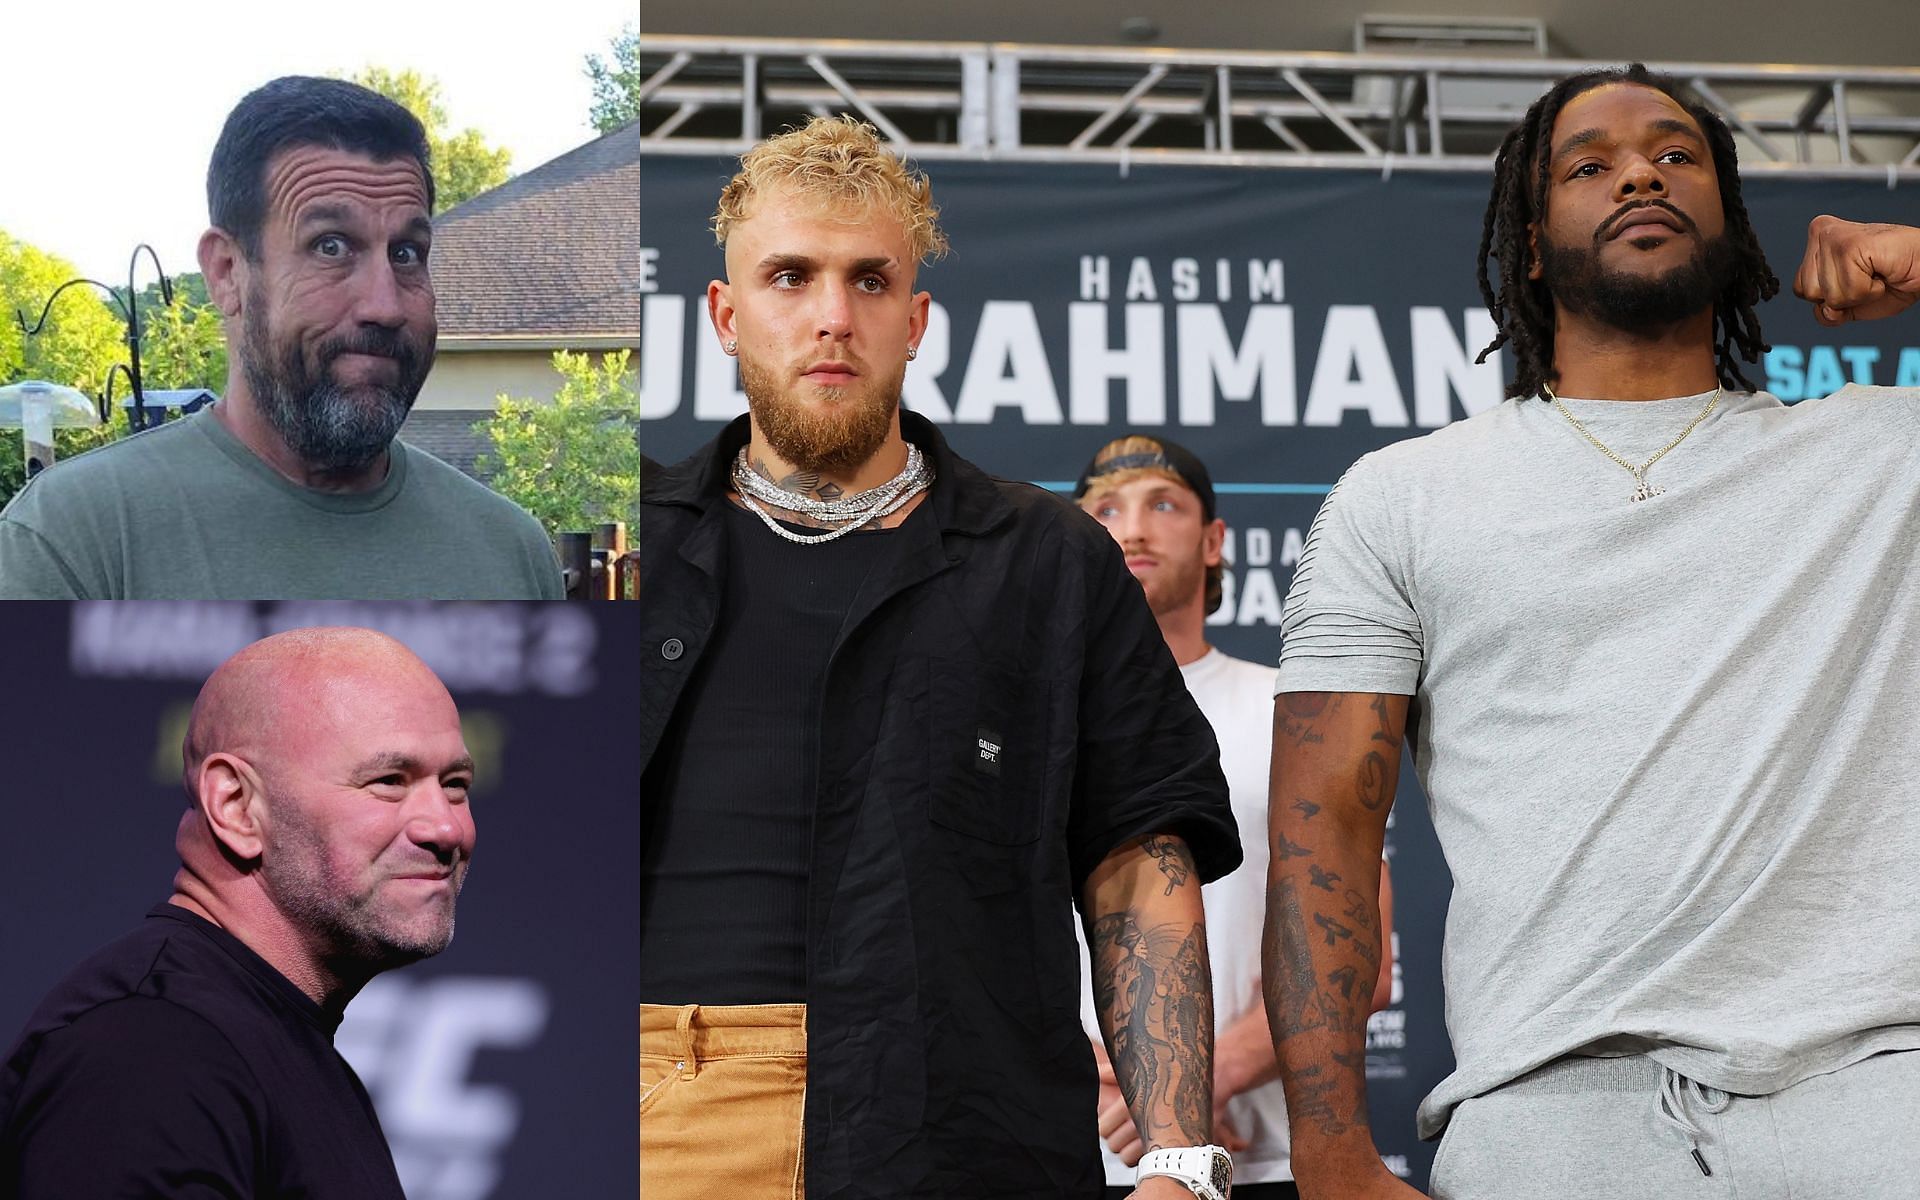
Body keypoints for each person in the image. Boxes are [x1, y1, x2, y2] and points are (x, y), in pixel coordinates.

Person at [1262, 62, 1920, 1200]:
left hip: (1877, 1090)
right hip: (1551, 1109)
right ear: (1530, 244)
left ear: (1733, 222)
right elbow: (1322, 841)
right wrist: (1327, 1156)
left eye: (1677, 156)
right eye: (1590, 164)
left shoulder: (1880, 452)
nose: (1638, 175)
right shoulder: (1403, 496)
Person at [639, 116, 1242, 1200]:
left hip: (955, 1127)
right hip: (653, 1114)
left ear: (915, 320)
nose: (832, 318)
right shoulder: (626, 542)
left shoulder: (1049, 560)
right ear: (726, 315)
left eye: (869, 282)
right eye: (790, 277)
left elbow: (1139, 867)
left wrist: (1180, 1160)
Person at [0, 76, 563, 599]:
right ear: (226, 273)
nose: (385, 306)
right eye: (331, 246)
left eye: (407, 253)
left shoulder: (513, 555)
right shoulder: (73, 541)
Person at [0, 627, 476, 1196]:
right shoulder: (154, 1049)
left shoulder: (257, 1039)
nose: (447, 828)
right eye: (389, 782)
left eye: (454, 785)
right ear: (235, 806)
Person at [1072, 435, 1395, 1200]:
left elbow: (1362, 945)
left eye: (1163, 504)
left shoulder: (1292, 710)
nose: (1133, 529)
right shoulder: (1028, 723)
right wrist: (1114, 1092)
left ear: (1215, 540)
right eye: (1105, 510)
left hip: (1272, 1157)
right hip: (1069, 1148)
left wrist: (1189, 1082)